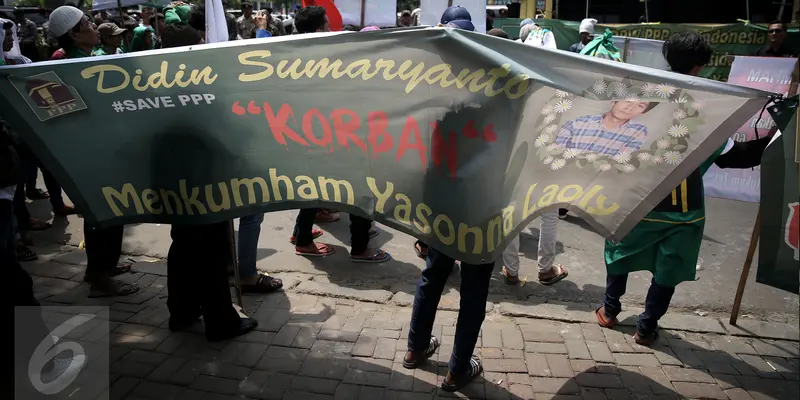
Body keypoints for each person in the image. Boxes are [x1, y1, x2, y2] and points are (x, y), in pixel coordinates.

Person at [597, 32, 777, 346]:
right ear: (699, 67)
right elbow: (738, 157)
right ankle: (646, 327)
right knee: (669, 267)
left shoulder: (640, 97)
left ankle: (610, 311)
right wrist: (777, 132)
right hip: (683, 209)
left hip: (636, 200)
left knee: (619, 252)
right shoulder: (707, 111)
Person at [404, 6, 490, 393]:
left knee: (433, 275)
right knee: (472, 289)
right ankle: (457, 369)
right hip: (484, 204)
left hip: (443, 202)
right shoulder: (497, 80)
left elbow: (422, 157)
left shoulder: (424, 82)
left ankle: (415, 349)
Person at [160, 17, 259, 341]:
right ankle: (221, 320)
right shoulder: (196, 89)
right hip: (203, 183)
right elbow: (219, 135)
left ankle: (183, 311)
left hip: (174, 182)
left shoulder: (158, 84)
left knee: (184, 246)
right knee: (211, 250)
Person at [48, 5, 140, 298]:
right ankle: (101, 279)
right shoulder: (74, 68)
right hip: (98, 156)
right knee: (108, 214)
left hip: (101, 152)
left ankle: (99, 268)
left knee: (101, 214)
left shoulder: (85, 60)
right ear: (74, 35)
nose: (93, 27)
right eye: (86, 23)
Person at [554, 100, 657, 157]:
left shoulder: (638, 132)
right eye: (627, 100)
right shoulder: (578, 122)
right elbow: (555, 152)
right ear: (614, 100)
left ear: (643, 112)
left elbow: (619, 162)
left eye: (640, 106)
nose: (629, 108)